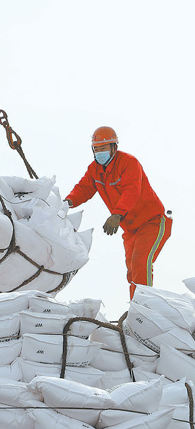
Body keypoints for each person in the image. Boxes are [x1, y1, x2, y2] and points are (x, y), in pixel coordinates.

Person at [64, 126, 172, 300]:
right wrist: (66, 203)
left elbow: (132, 191)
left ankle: (144, 308)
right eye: (96, 149)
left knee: (140, 263)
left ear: (114, 147)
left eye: (103, 148)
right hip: (130, 230)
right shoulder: (95, 169)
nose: (100, 153)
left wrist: (117, 214)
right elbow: (83, 189)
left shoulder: (129, 163)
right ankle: (135, 309)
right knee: (132, 270)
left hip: (153, 222)